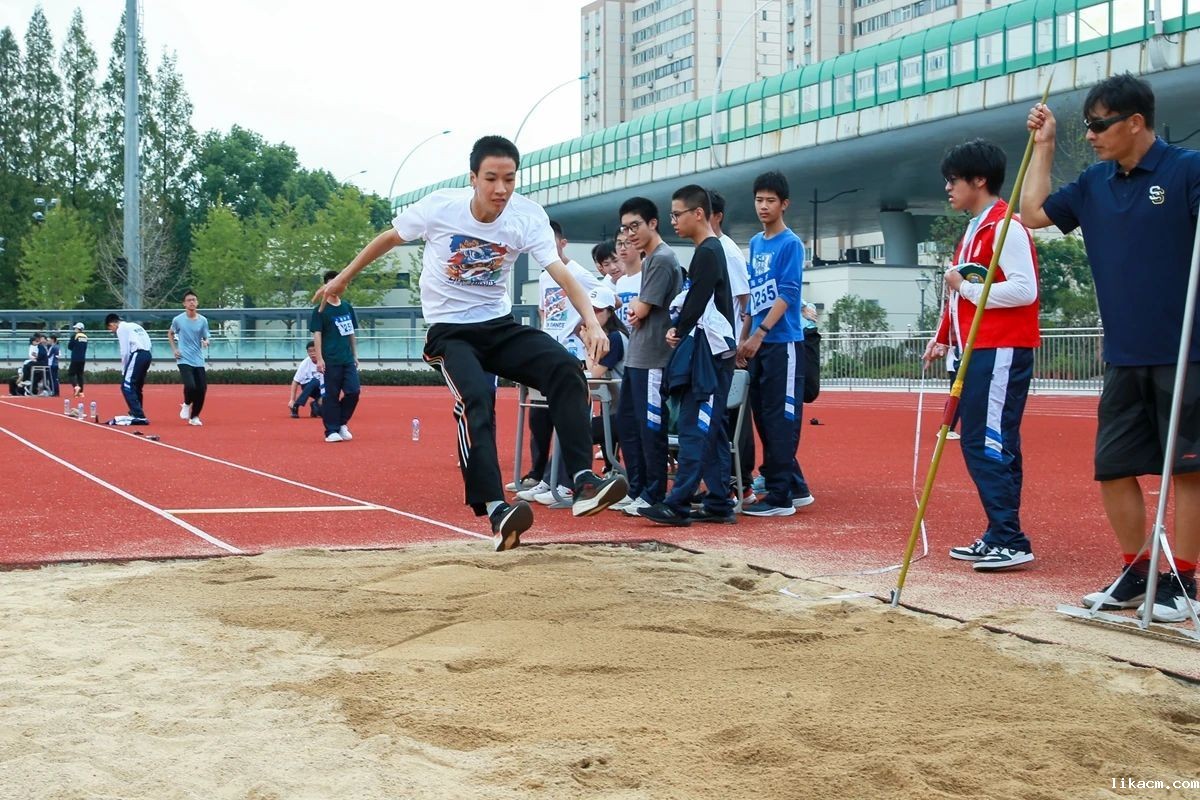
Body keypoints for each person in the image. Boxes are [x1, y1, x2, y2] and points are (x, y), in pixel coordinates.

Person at [313, 135, 627, 550]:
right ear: (473, 178)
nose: (501, 189)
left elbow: (562, 273)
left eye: (509, 179)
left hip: (498, 326)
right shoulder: (442, 207)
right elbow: (390, 238)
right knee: (476, 396)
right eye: (491, 179)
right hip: (450, 331)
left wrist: (592, 322)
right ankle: (497, 509)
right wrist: (342, 278)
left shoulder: (526, 217)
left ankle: (583, 480)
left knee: (564, 368)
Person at [1022, 73, 1200, 621]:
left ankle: (1183, 582)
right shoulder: (1094, 183)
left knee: (1188, 469)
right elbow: (1032, 213)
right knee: (1114, 465)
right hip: (1123, 352)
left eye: (1099, 125)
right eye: (1087, 126)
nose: (1091, 135)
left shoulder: (1187, 169)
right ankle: (1138, 572)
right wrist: (1045, 145)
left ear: (1135, 122)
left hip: (1186, 350)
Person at [922, 138, 1041, 572]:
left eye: (953, 180)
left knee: (987, 440)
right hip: (975, 349)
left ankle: (1010, 538)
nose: (947, 188)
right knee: (987, 439)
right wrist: (943, 336)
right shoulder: (974, 229)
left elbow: (1024, 289)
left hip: (1000, 348)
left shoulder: (1005, 226)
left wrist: (967, 289)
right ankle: (999, 532)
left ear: (979, 180)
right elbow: (960, 295)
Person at [641, 185, 738, 527]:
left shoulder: (708, 251)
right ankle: (718, 502)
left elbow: (698, 300)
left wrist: (679, 330)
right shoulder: (707, 250)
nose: (673, 221)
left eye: (677, 214)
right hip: (712, 353)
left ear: (698, 213)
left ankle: (678, 503)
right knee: (710, 430)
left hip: (710, 355)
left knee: (695, 426)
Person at [737, 171, 809, 517]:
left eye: (770, 201)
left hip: (783, 342)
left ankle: (781, 497)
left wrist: (761, 332)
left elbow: (788, 293)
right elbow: (755, 295)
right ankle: (795, 486)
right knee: (763, 417)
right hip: (758, 343)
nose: (763, 206)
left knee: (781, 418)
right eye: (759, 200)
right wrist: (744, 336)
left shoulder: (790, 244)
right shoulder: (755, 243)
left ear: (784, 204)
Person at [615, 196, 684, 516]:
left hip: (654, 358)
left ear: (652, 224)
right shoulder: (649, 260)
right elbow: (635, 313)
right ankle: (637, 488)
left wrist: (636, 307)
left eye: (635, 226)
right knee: (628, 425)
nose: (630, 234)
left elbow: (640, 310)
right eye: (625, 228)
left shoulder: (663, 259)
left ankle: (653, 493)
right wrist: (636, 309)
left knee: (650, 428)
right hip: (636, 357)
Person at [710, 190, 755, 499]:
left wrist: (742, 342)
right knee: (722, 415)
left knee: (735, 415)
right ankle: (725, 481)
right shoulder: (710, 249)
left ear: (716, 216)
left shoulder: (728, 252)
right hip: (717, 347)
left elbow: (746, 300)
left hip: (731, 349)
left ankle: (742, 482)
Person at [310, 269, 361, 443]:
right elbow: (317, 334)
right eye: (332, 283)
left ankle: (341, 423)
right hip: (330, 360)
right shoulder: (320, 310)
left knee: (354, 391)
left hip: (347, 359)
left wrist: (355, 354)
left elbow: (351, 332)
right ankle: (331, 430)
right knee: (331, 395)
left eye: (340, 282)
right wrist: (320, 358)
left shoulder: (347, 307)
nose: (337, 286)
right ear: (326, 286)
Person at [583, 284, 628, 477]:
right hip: (616, 407)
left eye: (598, 310)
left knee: (577, 431)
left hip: (625, 411)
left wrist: (587, 343)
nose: (593, 315)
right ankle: (611, 470)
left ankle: (562, 482)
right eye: (590, 309)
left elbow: (594, 372)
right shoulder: (611, 336)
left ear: (610, 311)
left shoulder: (615, 338)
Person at [168, 290, 211, 426]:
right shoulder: (178, 320)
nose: (192, 302)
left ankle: (195, 417)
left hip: (198, 358)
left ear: (197, 303)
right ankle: (186, 404)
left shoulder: (203, 320)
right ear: (184, 304)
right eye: (189, 300)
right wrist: (175, 349)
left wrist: (206, 341)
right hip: (184, 358)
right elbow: (170, 333)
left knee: (202, 388)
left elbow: (206, 336)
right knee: (191, 386)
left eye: (194, 300)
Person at [105, 313, 152, 422]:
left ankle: (138, 414)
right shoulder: (134, 326)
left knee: (126, 385)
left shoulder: (121, 329)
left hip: (138, 354)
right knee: (137, 386)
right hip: (147, 354)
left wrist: (124, 369)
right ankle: (136, 410)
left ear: (112, 324)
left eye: (110, 328)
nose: (112, 331)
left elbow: (125, 351)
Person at [288, 341, 324, 418]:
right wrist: (292, 400)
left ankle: (315, 406)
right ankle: (296, 405)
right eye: (310, 351)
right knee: (315, 381)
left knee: (324, 412)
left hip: (322, 388)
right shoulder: (305, 363)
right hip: (307, 386)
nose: (312, 353)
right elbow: (295, 381)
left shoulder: (326, 361)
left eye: (314, 351)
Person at [67, 322, 88, 398]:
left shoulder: (75, 336)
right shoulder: (85, 337)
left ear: (78, 329)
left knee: (71, 374)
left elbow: (69, 346)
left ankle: (76, 387)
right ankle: (81, 392)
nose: (74, 329)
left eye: (75, 328)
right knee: (80, 375)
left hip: (75, 358)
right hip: (82, 358)